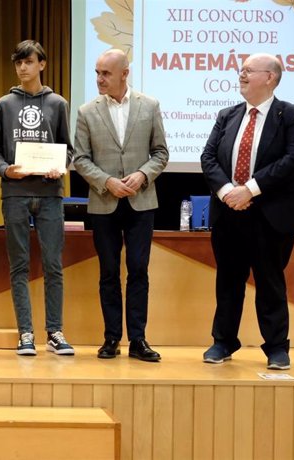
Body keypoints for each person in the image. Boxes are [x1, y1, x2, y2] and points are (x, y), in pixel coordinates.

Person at [200, 53, 294, 370]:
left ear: (270, 77)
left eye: (247, 71)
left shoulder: (292, 115)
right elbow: (208, 157)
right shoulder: (227, 115)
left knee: (270, 282)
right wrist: (229, 191)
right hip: (229, 212)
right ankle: (223, 341)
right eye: (240, 70)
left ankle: (276, 348)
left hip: (270, 213)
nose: (241, 75)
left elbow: (293, 159)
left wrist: (251, 189)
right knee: (228, 281)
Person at [74, 49, 169, 362]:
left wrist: (142, 174)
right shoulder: (87, 111)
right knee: (108, 273)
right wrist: (106, 182)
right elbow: (81, 159)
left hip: (142, 203)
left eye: (106, 73)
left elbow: (160, 153)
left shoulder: (150, 105)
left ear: (124, 74)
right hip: (105, 203)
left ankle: (139, 340)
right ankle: (111, 338)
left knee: (139, 271)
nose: (100, 79)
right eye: (97, 73)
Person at [0, 40, 74, 356]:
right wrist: (8, 170)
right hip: (15, 195)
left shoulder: (58, 104)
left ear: (42, 64)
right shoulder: (4, 104)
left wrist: (60, 167)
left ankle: (55, 331)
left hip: (50, 195)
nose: (22, 67)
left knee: (53, 265)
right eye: (18, 62)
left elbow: (69, 150)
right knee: (19, 266)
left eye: (28, 61)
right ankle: (25, 333)